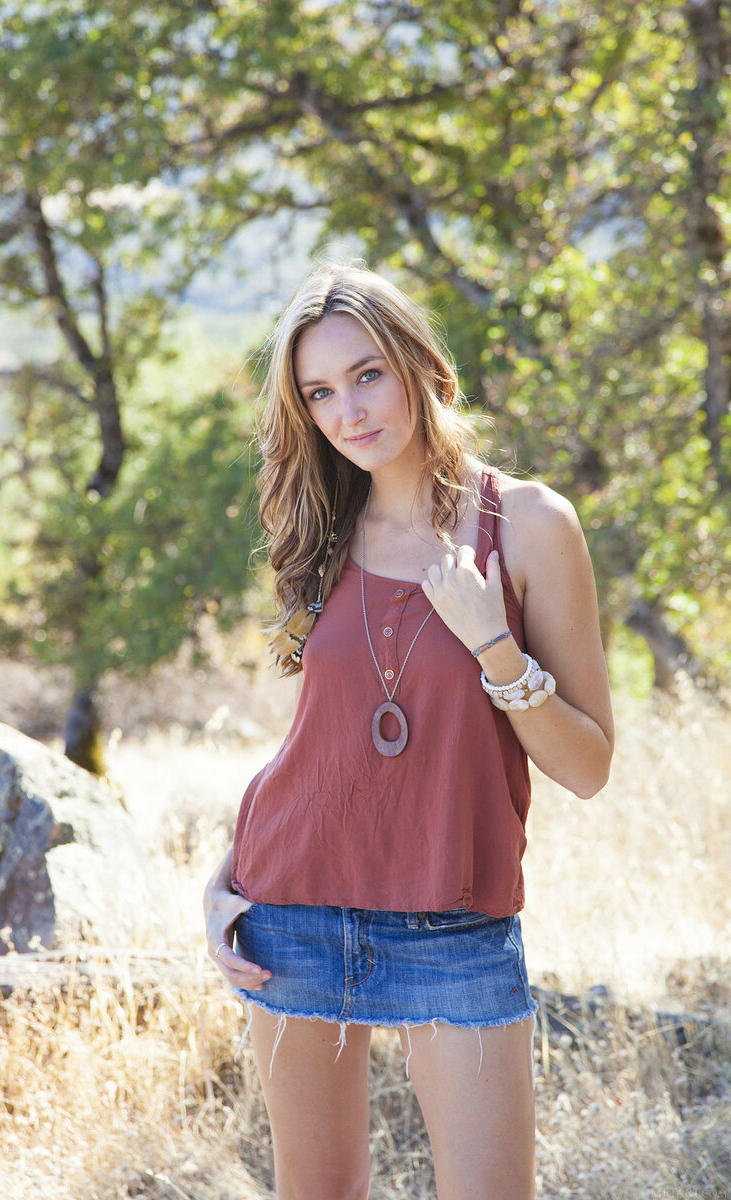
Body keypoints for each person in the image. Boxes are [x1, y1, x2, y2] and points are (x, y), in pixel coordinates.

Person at [203, 261, 614, 1200]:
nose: (347, 412)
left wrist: (496, 647)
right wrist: (228, 872)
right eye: (319, 392)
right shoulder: (322, 525)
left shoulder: (530, 525)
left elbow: (589, 766)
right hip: (292, 915)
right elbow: (320, 744)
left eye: (367, 375)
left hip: (454, 923)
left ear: (424, 367)